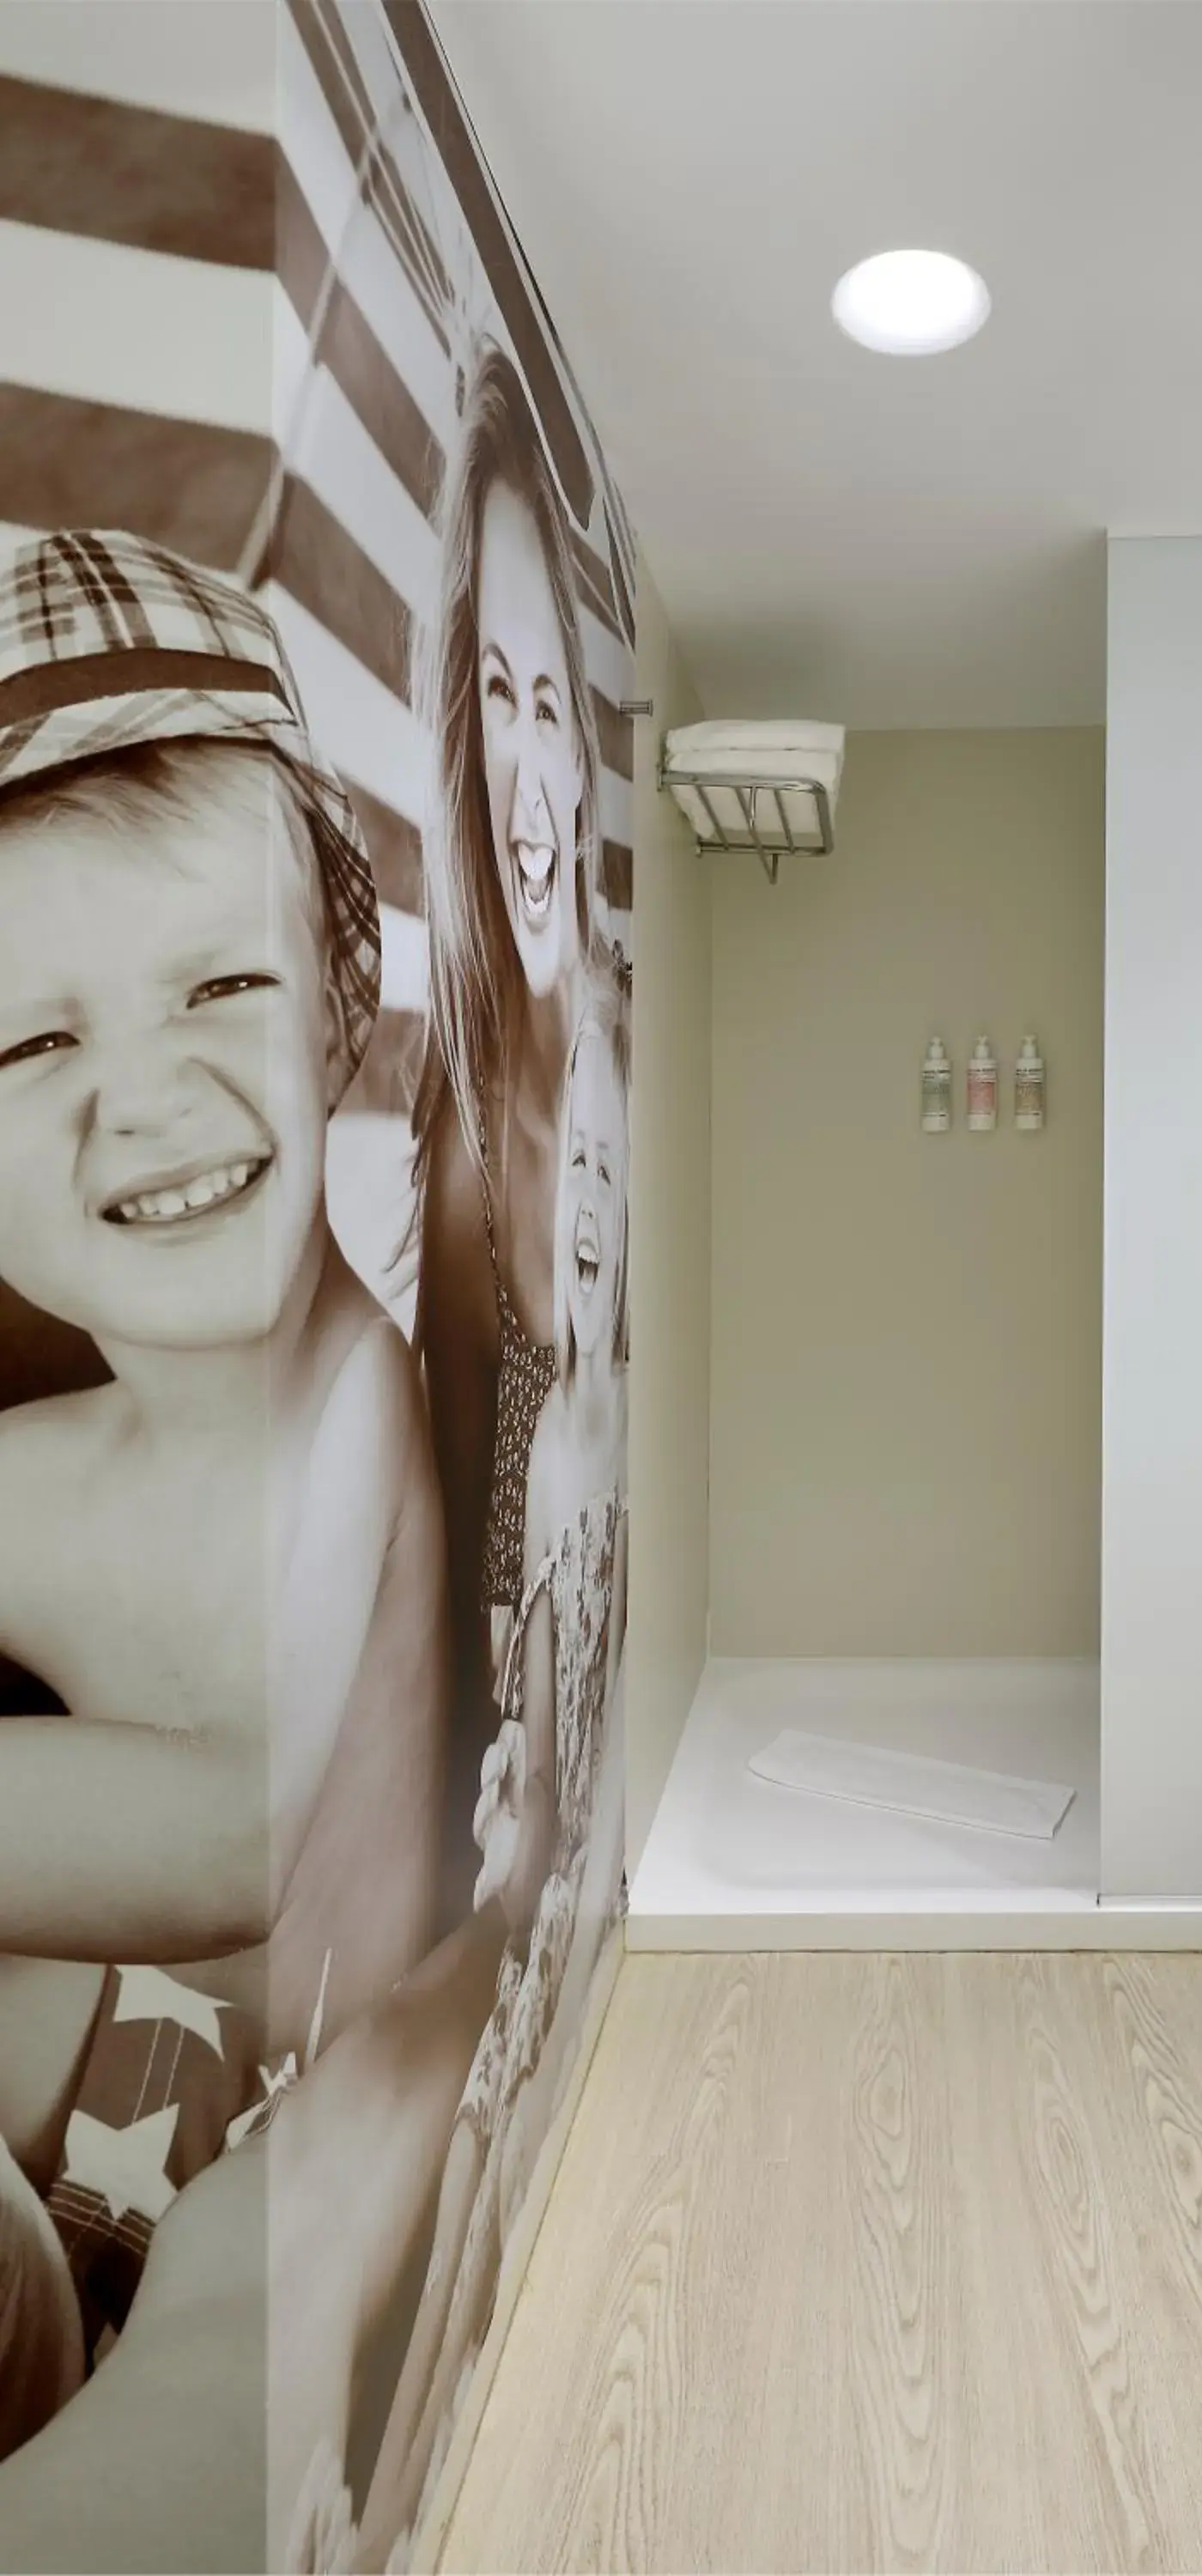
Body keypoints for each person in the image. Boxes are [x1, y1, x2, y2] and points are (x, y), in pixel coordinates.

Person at [0, 531, 447, 2408]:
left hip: (289, 2158)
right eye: (27, 1039)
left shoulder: (366, 1402)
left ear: (346, 987)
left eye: (218, 990)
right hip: (58, 2161)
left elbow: (235, 1834)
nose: (146, 1098)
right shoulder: (42, 1473)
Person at [356, 949, 632, 2564]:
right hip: (483, 1882)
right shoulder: (533, 1416)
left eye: (604, 1161)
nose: (584, 1194)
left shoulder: (596, 1423)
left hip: (513, 1883)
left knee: (462, 2224)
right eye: (568, 1157)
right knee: (446, 2202)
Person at [410, 340, 608, 1885]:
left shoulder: (611, 1042)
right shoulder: (465, 1115)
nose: (528, 783)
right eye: (496, 697)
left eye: (552, 706)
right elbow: (455, 1472)